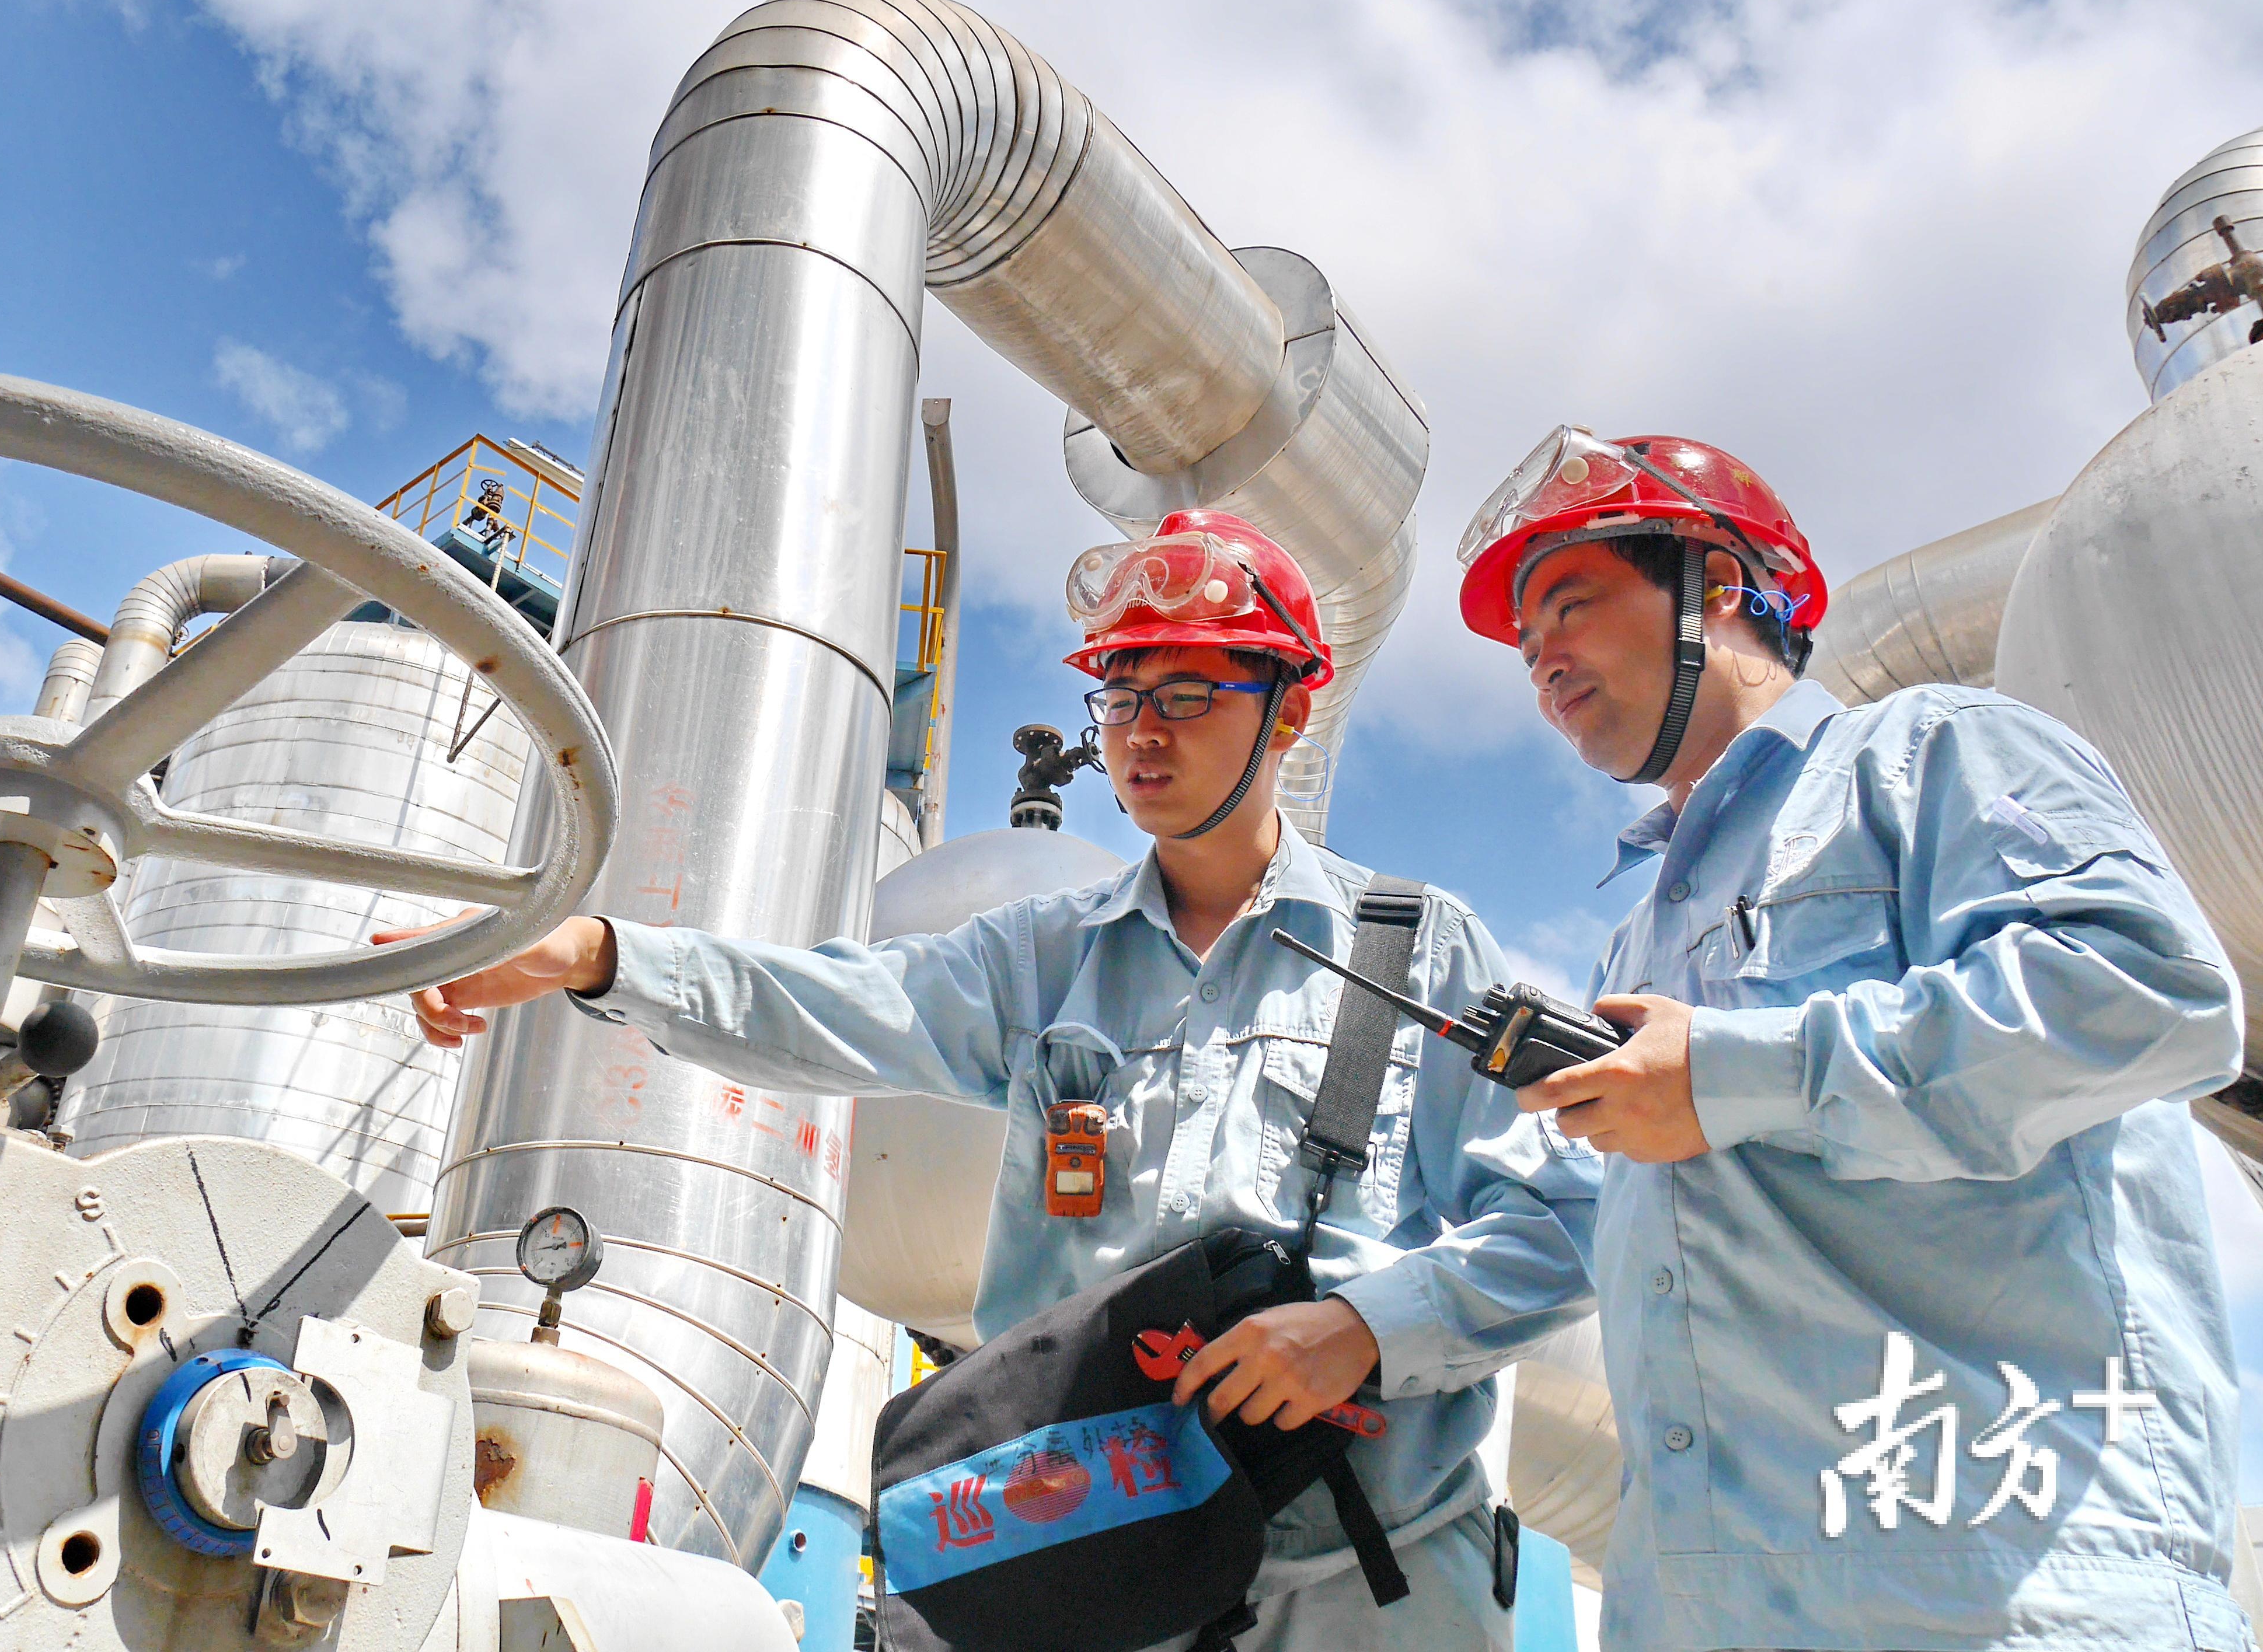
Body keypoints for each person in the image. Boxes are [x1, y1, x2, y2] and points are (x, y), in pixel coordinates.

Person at [386, 508, 1600, 1651]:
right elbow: (830, 1003)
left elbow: (1565, 1219)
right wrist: (598, 952)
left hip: (1366, 1575)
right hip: (1107, 1560)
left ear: (1289, 712)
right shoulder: (1045, 956)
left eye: (1186, 693)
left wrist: (1362, 1329)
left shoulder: (1414, 950)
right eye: (1120, 695)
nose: (1142, 732)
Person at [1456, 426, 2251, 1650]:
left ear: (1715, 585)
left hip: (1998, 1596)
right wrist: (1354, 1323)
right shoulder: (1633, 952)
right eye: (1523, 645)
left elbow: (2147, 990)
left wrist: (1735, 1074)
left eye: (1567, 604)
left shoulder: (1938, 750)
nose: (1540, 660)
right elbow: (1574, 1215)